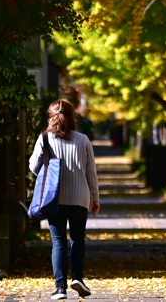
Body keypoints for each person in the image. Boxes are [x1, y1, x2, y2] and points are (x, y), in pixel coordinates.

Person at [29, 99, 100, 300]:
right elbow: (91, 172)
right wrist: (95, 198)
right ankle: (78, 278)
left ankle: (60, 289)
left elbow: (34, 167)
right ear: (72, 117)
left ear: (50, 117)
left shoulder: (44, 139)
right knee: (78, 239)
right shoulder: (83, 139)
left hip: (54, 199)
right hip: (80, 197)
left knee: (58, 242)